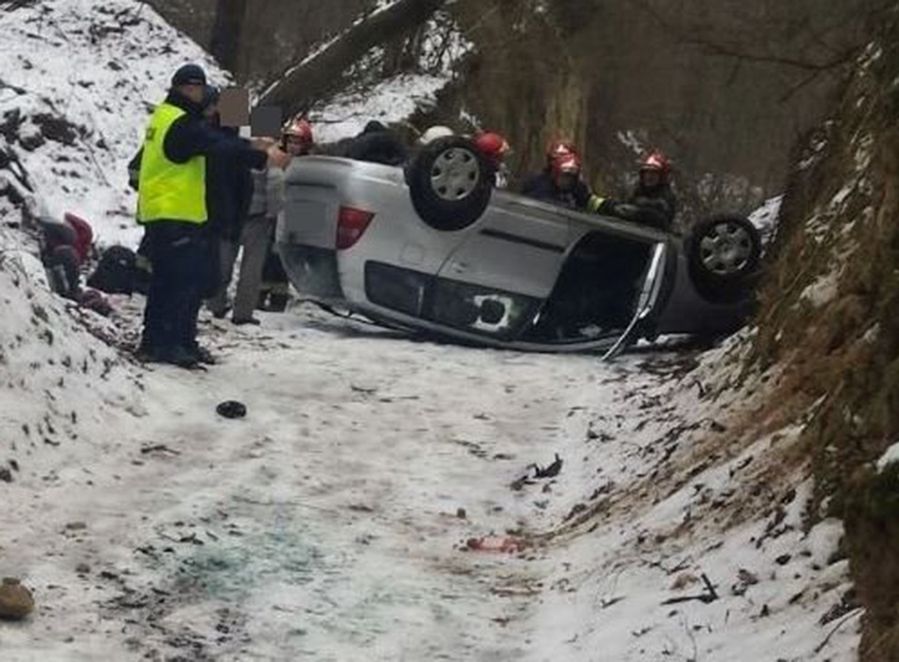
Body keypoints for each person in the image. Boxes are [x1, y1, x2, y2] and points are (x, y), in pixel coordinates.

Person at [137, 63, 289, 367]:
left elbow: (223, 144)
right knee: (183, 282)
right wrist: (262, 155)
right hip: (179, 212)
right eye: (199, 90)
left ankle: (172, 340)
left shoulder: (169, 117)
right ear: (187, 90)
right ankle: (169, 343)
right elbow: (220, 146)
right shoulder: (183, 123)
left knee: (179, 281)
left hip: (182, 211)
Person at [214, 117, 302, 326]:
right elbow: (275, 183)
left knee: (223, 261)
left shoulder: (232, 150)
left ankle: (215, 304)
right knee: (251, 268)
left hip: (230, 215)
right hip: (257, 218)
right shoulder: (269, 156)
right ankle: (242, 312)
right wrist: (273, 212)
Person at [521, 141, 607, 212]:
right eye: (554, 159)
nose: (566, 181)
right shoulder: (538, 184)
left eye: (570, 177)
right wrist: (574, 210)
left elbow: (589, 201)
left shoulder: (577, 187)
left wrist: (609, 206)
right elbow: (541, 204)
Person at [627, 150, 677, 230]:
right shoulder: (637, 190)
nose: (649, 177)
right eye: (647, 173)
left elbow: (661, 219)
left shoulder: (667, 197)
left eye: (653, 173)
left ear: (661, 177)